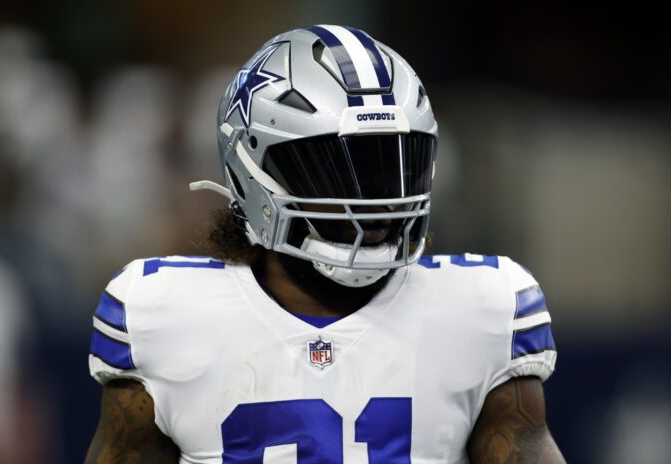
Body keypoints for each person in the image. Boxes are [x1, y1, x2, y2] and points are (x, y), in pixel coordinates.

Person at [85, 25, 565, 463]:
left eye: (387, 166)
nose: (371, 203)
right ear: (254, 170)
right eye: (331, 170)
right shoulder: (163, 317)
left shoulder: (482, 311)